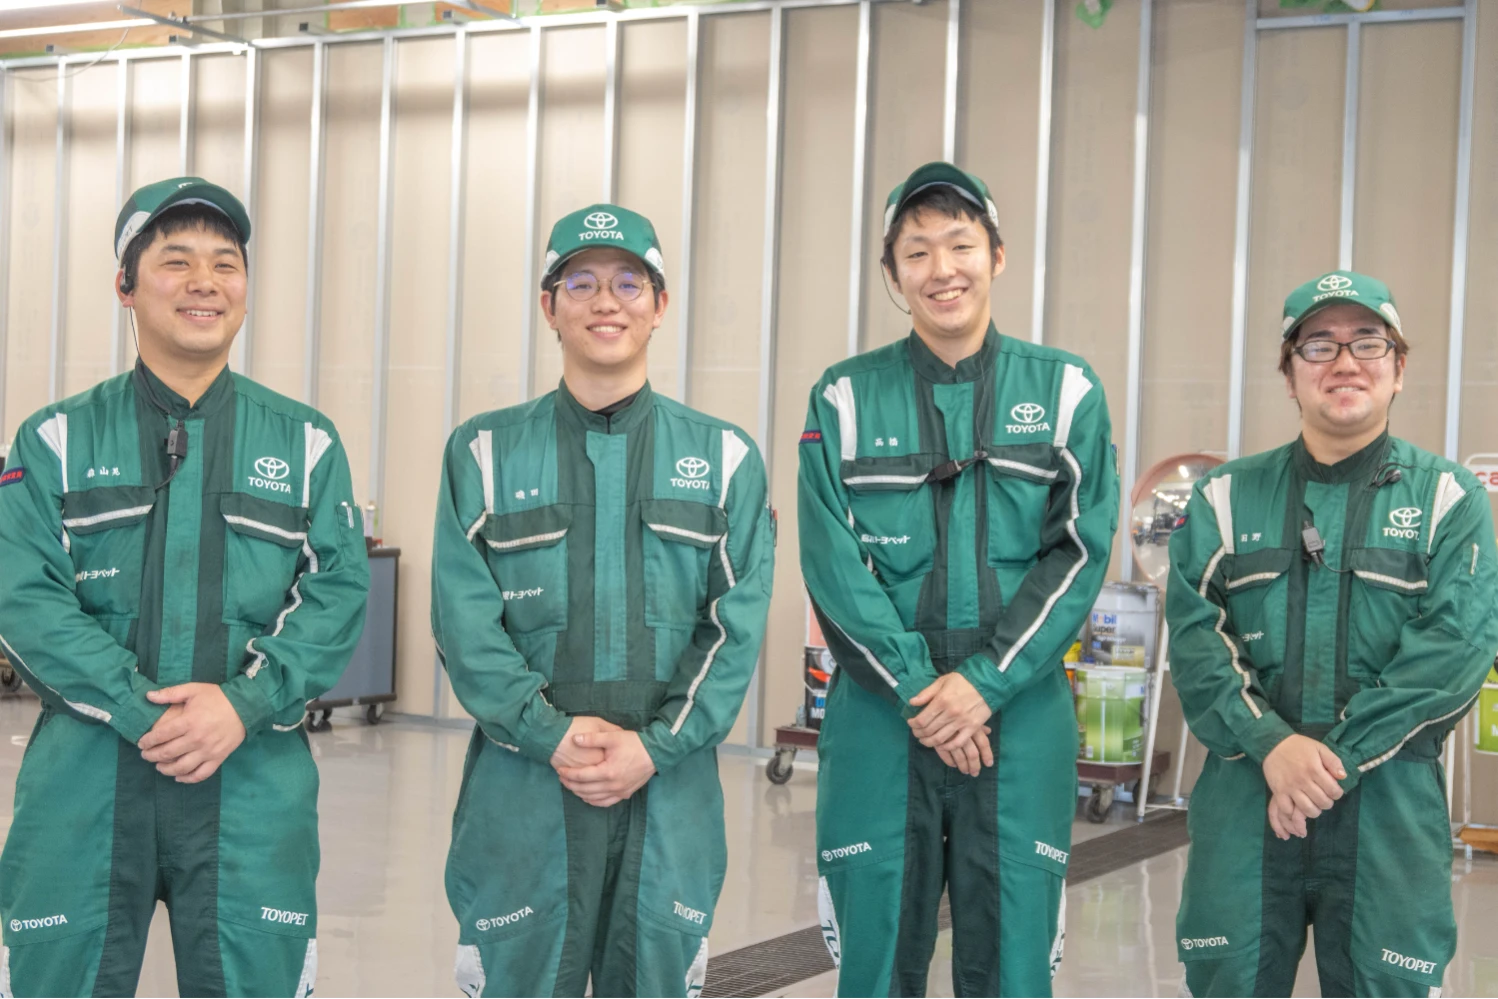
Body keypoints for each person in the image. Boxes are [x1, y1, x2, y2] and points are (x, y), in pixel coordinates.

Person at [0, 177, 370, 998]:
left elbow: (337, 593)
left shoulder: (306, 443)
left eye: (225, 263)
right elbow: (23, 596)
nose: (205, 281)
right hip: (85, 785)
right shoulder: (55, 439)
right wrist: (144, 711)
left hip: (253, 784)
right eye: (176, 260)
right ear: (125, 286)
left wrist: (242, 704)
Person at [431, 203, 774, 999]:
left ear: (660, 305)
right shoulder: (483, 452)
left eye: (628, 282)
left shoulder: (725, 458)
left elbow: (735, 628)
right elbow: (463, 623)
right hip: (522, 791)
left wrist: (655, 745)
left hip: (669, 794)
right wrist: (547, 732)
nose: (605, 301)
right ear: (548, 307)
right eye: (580, 283)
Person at [798, 162, 1119, 998]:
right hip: (880, 717)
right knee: (872, 966)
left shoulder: (1066, 391)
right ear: (892, 272)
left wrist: (984, 683)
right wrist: (923, 693)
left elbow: (1079, 551)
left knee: (1014, 967)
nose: (941, 269)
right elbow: (832, 563)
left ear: (997, 256)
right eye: (916, 252)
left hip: (1021, 717)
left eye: (960, 245)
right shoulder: (842, 399)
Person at [1167, 270, 1498, 998]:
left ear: (1398, 368)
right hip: (1246, 803)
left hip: (1389, 813)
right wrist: (1272, 746)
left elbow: (1455, 652)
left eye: (1367, 342)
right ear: (1289, 374)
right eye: (1318, 345)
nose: (1345, 362)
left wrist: (1325, 766)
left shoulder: (1449, 500)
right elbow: (1195, 641)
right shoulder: (1224, 498)